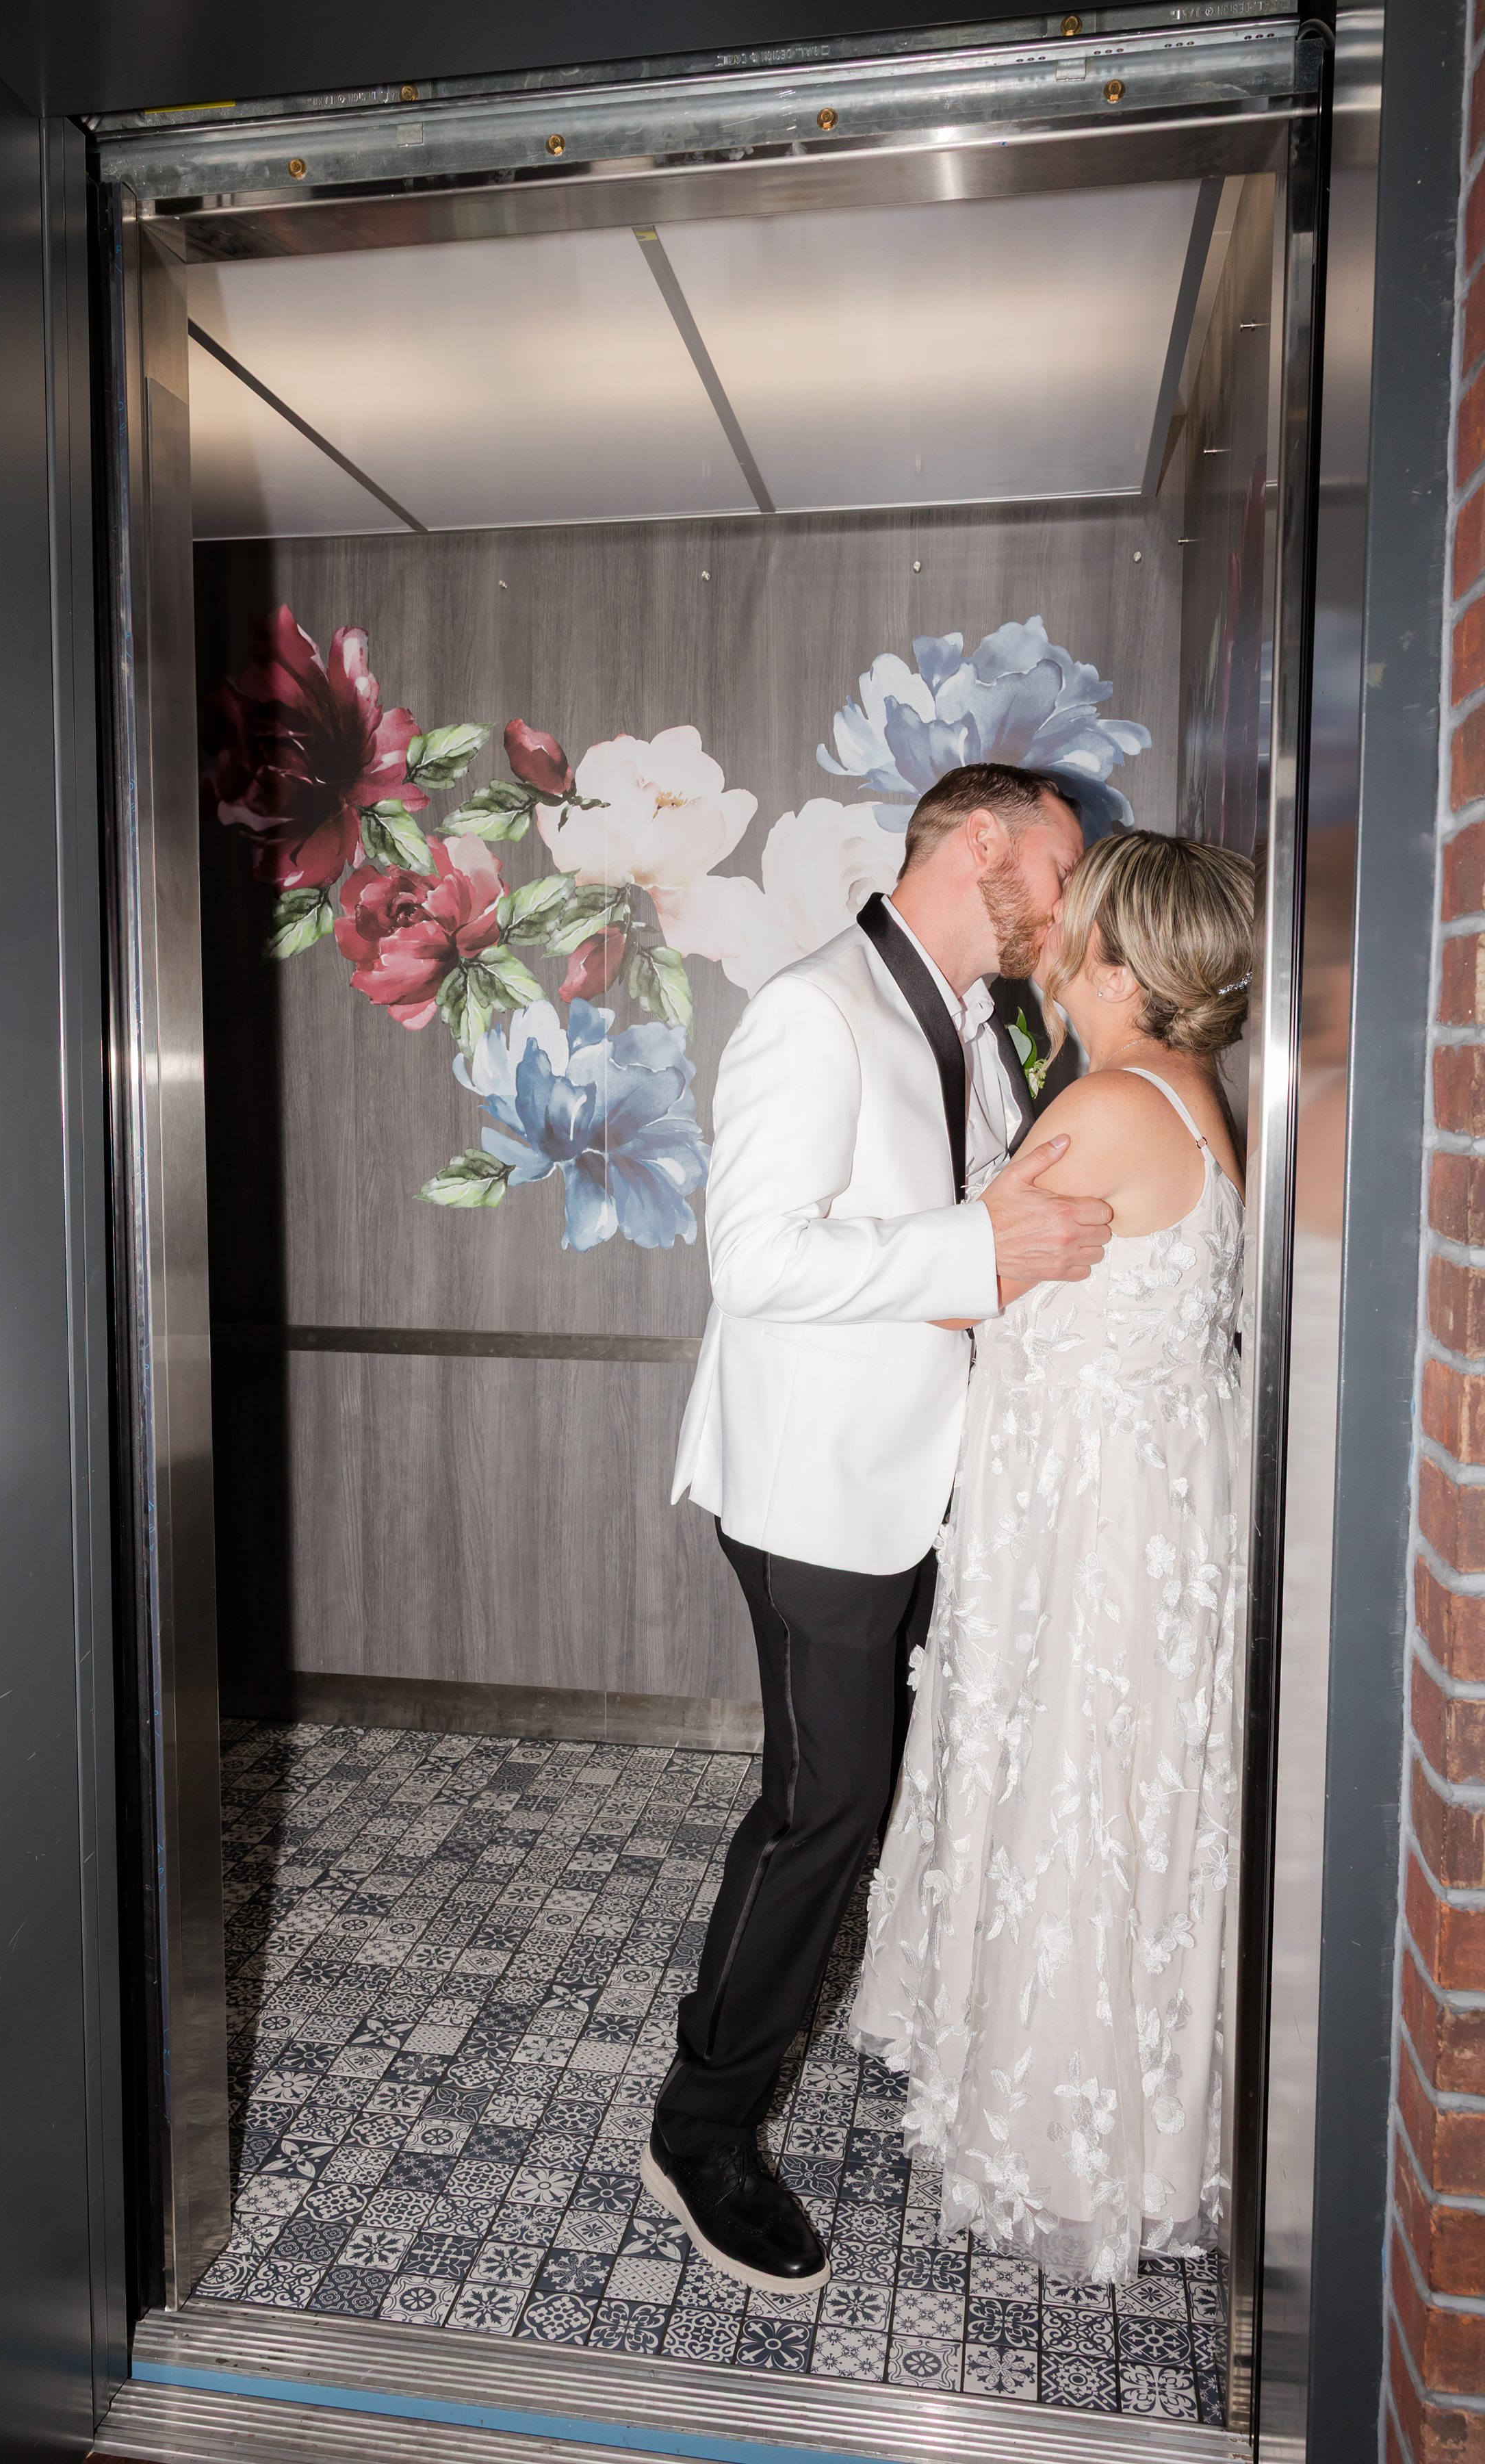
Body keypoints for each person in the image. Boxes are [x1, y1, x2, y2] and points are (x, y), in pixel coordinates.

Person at [649, 760, 1115, 2293]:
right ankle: (701, 2127)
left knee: (850, 1795)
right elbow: (760, 1259)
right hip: (815, 1484)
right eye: (1060, 861)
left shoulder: (986, 1023)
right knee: (822, 1807)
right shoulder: (811, 1008)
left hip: (914, 1474)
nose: (1069, 893)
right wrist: (984, 1241)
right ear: (980, 842)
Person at [851, 827, 1254, 2288]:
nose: (1052, 934)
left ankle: (1060, 2136)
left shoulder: (1099, 1112)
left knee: (1075, 1790)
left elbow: (968, 1295)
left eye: (1074, 918)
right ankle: (1128, 2113)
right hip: (1145, 1503)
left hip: (1088, 1525)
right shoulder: (1196, 1098)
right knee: (1130, 1800)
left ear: (1119, 960)